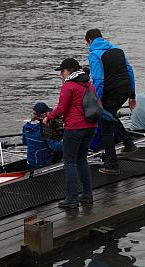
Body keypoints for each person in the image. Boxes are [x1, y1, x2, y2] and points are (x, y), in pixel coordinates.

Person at [44, 58, 98, 209]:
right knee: (82, 159)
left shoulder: (69, 85)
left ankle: (71, 199)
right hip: (91, 126)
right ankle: (87, 195)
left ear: (69, 70)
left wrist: (49, 117)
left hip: (75, 128)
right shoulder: (89, 83)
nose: (61, 74)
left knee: (70, 162)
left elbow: (61, 108)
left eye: (62, 71)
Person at [85, 29, 137, 175]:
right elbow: (130, 71)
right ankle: (128, 143)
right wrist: (132, 95)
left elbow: (99, 80)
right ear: (102, 38)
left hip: (111, 92)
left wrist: (97, 101)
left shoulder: (94, 54)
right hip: (125, 89)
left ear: (89, 41)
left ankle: (112, 165)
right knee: (111, 115)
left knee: (106, 123)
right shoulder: (117, 50)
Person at [22, 102, 63, 169]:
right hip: (44, 163)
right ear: (44, 114)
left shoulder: (26, 126)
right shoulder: (44, 127)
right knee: (61, 149)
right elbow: (53, 146)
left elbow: (25, 142)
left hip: (30, 161)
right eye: (48, 112)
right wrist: (70, 145)